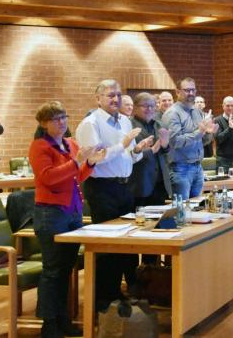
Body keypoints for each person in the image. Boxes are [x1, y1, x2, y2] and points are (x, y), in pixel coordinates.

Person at [75, 79, 154, 311]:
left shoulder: (125, 121)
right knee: (109, 247)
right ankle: (103, 299)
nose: (115, 99)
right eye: (110, 95)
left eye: (118, 95)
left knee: (127, 243)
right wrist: (124, 144)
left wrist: (138, 150)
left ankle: (122, 293)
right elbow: (96, 159)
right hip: (102, 188)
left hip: (124, 185)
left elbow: (127, 155)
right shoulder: (90, 124)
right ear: (97, 98)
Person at [28, 101, 105, 337]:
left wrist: (90, 162)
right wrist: (76, 161)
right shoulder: (40, 147)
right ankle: (48, 323)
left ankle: (62, 317)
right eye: (55, 119)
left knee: (66, 269)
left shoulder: (70, 143)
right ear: (43, 123)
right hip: (50, 213)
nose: (61, 122)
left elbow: (76, 176)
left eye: (63, 117)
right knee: (52, 270)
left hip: (72, 212)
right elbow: (49, 178)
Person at [163, 78, 217, 199]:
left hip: (198, 167)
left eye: (193, 90)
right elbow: (175, 141)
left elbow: (202, 141)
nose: (191, 93)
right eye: (187, 90)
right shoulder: (172, 113)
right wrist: (200, 132)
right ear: (177, 92)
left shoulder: (197, 112)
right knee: (182, 212)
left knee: (197, 209)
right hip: (180, 169)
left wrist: (209, 133)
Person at [129, 93, 172, 207]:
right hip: (139, 183)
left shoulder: (159, 124)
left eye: (152, 106)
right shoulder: (129, 125)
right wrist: (152, 149)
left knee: (158, 221)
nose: (149, 109)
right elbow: (129, 155)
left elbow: (166, 151)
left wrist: (165, 145)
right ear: (135, 107)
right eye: (145, 106)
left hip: (159, 182)